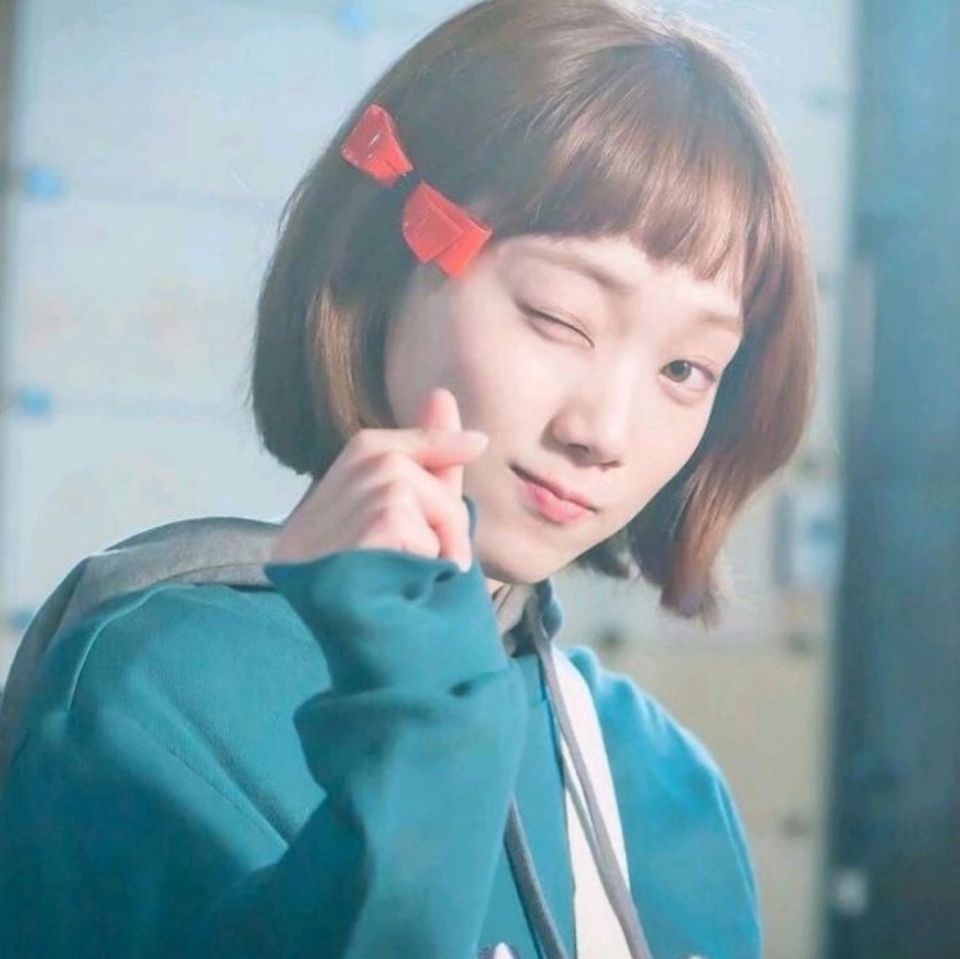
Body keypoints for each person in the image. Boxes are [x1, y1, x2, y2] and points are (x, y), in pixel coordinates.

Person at [0, 0, 816, 957]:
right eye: (559, 317)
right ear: (387, 250)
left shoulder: (667, 784)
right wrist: (427, 745)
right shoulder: (161, 681)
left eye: (685, 369)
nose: (604, 431)